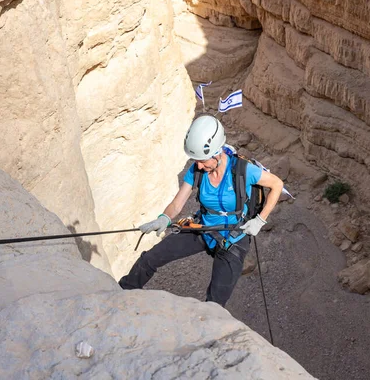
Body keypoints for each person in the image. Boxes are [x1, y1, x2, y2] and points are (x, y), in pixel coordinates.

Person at [119, 115, 284, 307]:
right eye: (196, 160)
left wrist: (260, 220)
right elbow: (177, 204)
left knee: (214, 304)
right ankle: (122, 294)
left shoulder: (242, 170)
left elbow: (277, 184)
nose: (198, 165)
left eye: (202, 160)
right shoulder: (197, 170)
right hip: (203, 228)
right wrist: (164, 218)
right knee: (149, 259)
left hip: (234, 238)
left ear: (217, 153)